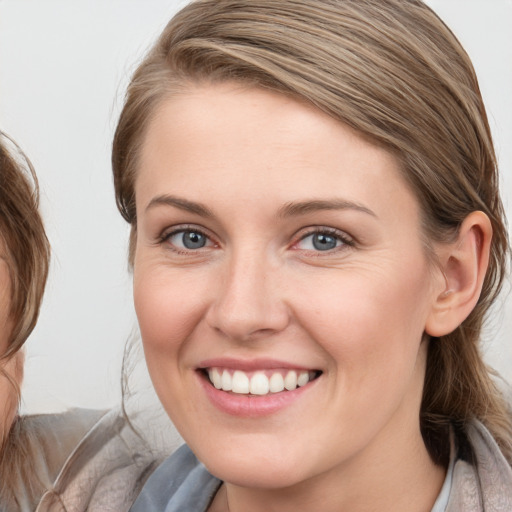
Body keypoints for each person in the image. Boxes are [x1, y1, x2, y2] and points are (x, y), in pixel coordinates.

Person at [110, 0, 512, 510]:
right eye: (190, 237)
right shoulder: (43, 483)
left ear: (454, 277)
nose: (241, 313)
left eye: (323, 239)